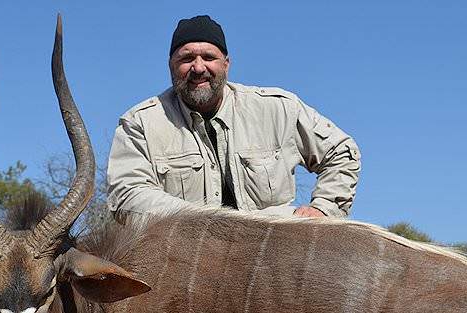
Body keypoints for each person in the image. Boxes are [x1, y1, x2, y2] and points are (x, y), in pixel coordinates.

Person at [107, 15, 360, 221]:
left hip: (276, 255)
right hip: (187, 258)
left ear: (226, 64)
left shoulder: (278, 109)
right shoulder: (139, 124)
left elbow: (342, 152)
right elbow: (127, 195)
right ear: (171, 65)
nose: (198, 68)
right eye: (186, 58)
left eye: (208, 57)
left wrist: (324, 208)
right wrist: (206, 222)